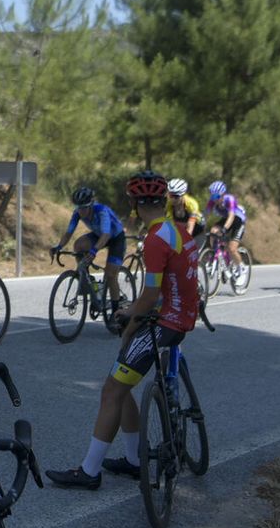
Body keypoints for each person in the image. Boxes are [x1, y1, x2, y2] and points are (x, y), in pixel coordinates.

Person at [48, 170, 198, 489]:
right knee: (123, 385)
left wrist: (129, 320)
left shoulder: (157, 239)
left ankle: (89, 471)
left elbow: (150, 294)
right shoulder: (180, 230)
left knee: (111, 390)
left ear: (133, 202)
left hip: (165, 322)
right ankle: (133, 461)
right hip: (181, 316)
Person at [52, 186, 128, 312]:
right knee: (78, 245)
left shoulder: (101, 211)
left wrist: (93, 251)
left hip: (115, 238)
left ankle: (116, 311)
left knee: (110, 274)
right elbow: (68, 233)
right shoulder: (77, 213)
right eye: (78, 207)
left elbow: (106, 235)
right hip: (99, 235)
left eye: (84, 207)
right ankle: (87, 278)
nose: (81, 211)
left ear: (91, 204)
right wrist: (58, 247)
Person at [205, 180, 248, 282]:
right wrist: (203, 225)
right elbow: (206, 215)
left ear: (223, 195)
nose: (213, 199)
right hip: (226, 219)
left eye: (216, 197)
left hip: (237, 220)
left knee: (232, 248)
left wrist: (224, 229)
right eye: (212, 197)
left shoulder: (230, 199)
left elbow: (231, 217)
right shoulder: (212, 201)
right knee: (213, 231)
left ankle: (241, 268)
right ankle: (214, 255)